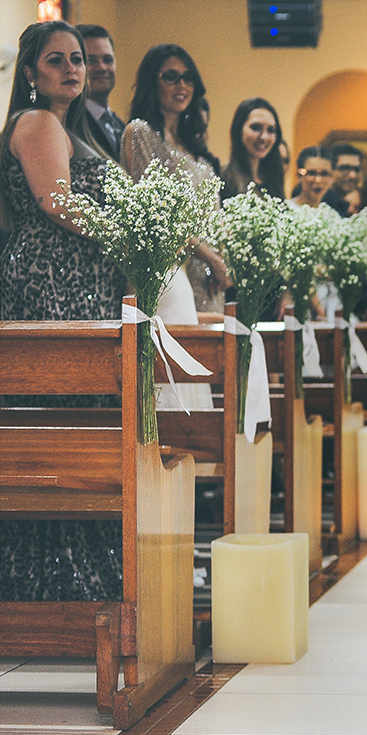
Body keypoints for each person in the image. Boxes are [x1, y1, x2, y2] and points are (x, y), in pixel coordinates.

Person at [0, 20, 126, 603]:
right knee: (63, 416)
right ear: (29, 73)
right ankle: (54, 576)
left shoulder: (70, 126)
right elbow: (57, 203)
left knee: (84, 415)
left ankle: (76, 568)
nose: (72, 68)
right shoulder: (38, 121)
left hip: (77, 280)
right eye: (56, 60)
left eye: (77, 59)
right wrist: (135, 236)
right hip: (52, 280)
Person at [123, 43, 228, 315]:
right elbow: (156, 214)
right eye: (171, 77)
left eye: (188, 77)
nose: (181, 84)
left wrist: (221, 260)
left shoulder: (196, 149)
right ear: (152, 83)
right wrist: (211, 258)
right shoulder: (141, 133)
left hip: (208, 273)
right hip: (172, 268)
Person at [220, 97, 284, 201]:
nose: (264, 137)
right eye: (256, 127)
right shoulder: (223, 178)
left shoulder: (274, 179)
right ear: (238, 130)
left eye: (271, 130)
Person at [76, 24, 122, 161]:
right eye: (91, 61)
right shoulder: (71, 123)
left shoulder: (121, 125)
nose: (101, 67)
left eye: (107, 60)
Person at [322, 143, 364, 216]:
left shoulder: (354, 206)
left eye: (356, 169)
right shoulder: (321, 204)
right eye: (345, 169)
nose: (352, 175)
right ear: (330, 170)